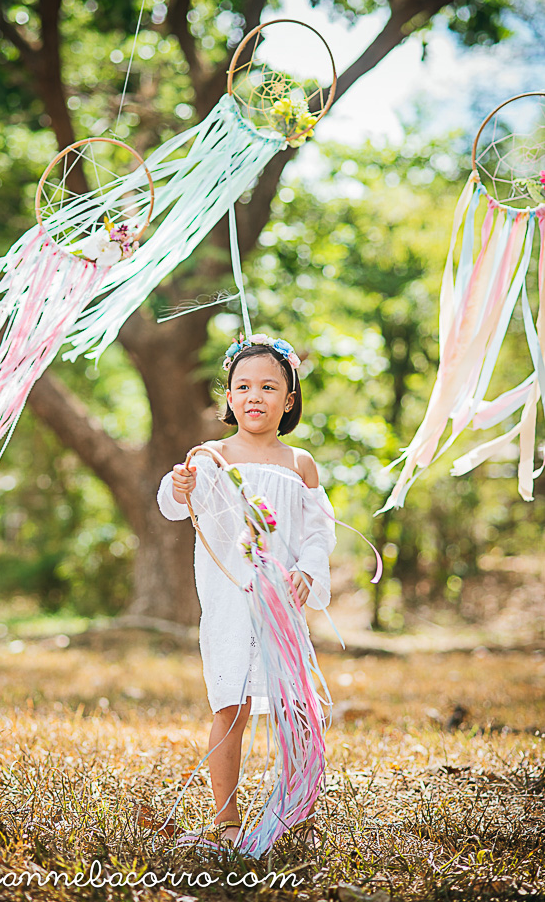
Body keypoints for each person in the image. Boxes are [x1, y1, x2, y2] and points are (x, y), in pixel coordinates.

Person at [157, 333, 336, 846]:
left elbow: (319, 530)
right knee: (230, 703)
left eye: (268, 386)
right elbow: (173, 504)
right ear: (229, 399)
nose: (254, 395)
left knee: (295, 705)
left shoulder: (300, 463)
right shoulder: (211, 457)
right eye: (243, 386)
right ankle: (226, 819)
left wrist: (308, 569)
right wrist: (180, 485)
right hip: (230, 600)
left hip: (280, 604)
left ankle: (297, 806)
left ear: (289, 398)